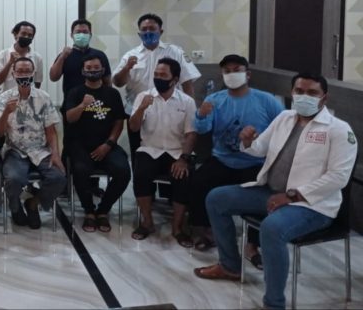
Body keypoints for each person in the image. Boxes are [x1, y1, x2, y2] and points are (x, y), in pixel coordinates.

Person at [194, 73, 357, 310]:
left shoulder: (339, 130)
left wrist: (292, 196)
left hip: (311, 205)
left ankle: (274, 303)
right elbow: (260, 148)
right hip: (271, 192)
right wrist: (248, 141)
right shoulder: (284, 118)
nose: (304, 96)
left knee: (272, 228)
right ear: (292, 93)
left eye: (312, 93)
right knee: (217, 198)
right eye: (299, 91)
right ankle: (229, 266)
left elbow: (338, 177)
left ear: (324, 98)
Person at [189, 54, 284, 259]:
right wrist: (201, 115)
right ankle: (206, 231)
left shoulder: (266, 100)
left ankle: (253, 244)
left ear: (247, 74)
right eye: (227, 71)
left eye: (237, 70)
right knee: (197, 182)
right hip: (222, 159)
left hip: (255, 162)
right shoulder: (214, 100)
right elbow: (203, 130)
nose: (232, 74)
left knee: (259, 193)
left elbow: (284, 127)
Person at [113, 13, 201, 166]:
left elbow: (187, 83)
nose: (148, 32)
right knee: (139, 156)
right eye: (144, 29)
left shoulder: (175, 52)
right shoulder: (131, 55)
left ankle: (171, 178)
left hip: (171, 110)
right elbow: (117, 82)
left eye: (152, 29)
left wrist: (191, 110)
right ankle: (141, 180)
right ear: (139, 33)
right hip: (137, 111)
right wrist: (127, 68)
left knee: (171, 152)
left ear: (161, 31)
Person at [128, 58, 197, 246]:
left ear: (174, 80)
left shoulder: (187, 102)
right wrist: (141, 108)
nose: (158, 78)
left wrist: (184, 158)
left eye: (163, 75)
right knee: (141, 173)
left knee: (183, 177)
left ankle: (177, 227)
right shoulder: (143, 96)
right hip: (150, 149)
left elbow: (191, 134)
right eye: (156, 74)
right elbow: (133, 128)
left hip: (177, 152)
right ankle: (147, 222)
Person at [0, 57, 66, 229]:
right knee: (13, 179)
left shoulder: (43, 97)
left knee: (58, 178)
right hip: (15, 150)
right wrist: (6, 112)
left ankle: (33, 203)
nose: (24, 74)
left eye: (27, 71)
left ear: (33, 73)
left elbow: (51, 131)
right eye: (20, 71)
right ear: (13, 74)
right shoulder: (4, 98)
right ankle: (15, 208)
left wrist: (55, 154)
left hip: (40, 150)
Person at [64, 55, 131, 232]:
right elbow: (70, 118)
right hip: (80, 145)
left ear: (102, 70)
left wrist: (108, 144)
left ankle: (103, 210)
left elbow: (119, 122)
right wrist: (82, 106)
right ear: (83, 71)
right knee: (80, 170)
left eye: (96, 67)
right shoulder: (75, 92)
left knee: (123, 171)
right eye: (89, 68)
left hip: (106, 145)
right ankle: (89, 211)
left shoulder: (112, 94)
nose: (92, 71)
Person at [50, 18, 112, 198]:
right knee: (70, 144)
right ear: (71, 35)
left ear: (91, 34)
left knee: (95, 142)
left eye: (85, 32)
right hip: (72, 107)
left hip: (96, 107)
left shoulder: (99, 55)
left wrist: (106, 103)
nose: (82, 35)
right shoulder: (66, 54)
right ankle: (65, 184)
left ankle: (92, 184)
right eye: (78, 32)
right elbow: (53, 76)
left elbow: (107, 82)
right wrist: (62, 56)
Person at [0, 21, 44, 202]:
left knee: (28, 143)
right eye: (23, 33)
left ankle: (29, 183)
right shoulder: (3, 54)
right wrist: (11, 63)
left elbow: (37, 83)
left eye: (30, 35)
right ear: (15, 34)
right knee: (4, 146)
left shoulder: (36, 57)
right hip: (6, 102)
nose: (26, 37)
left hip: (28, 103)